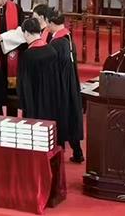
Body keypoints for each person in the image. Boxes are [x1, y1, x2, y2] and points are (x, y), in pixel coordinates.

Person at [47, 9, 84, 163]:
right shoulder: (67, 37)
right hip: (70, 84)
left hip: (60, 85)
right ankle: (77, 152)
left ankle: (58, 154)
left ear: (51, 23)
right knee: (71, 116)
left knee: (61, 116)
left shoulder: (56, 43)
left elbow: (53, 68)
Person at [16, 17, 62, 128]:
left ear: (26, 33)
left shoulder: (28, 55)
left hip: (34, 101)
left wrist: (22, 102)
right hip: (51, 98)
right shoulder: (52, 50)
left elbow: (23, 82)